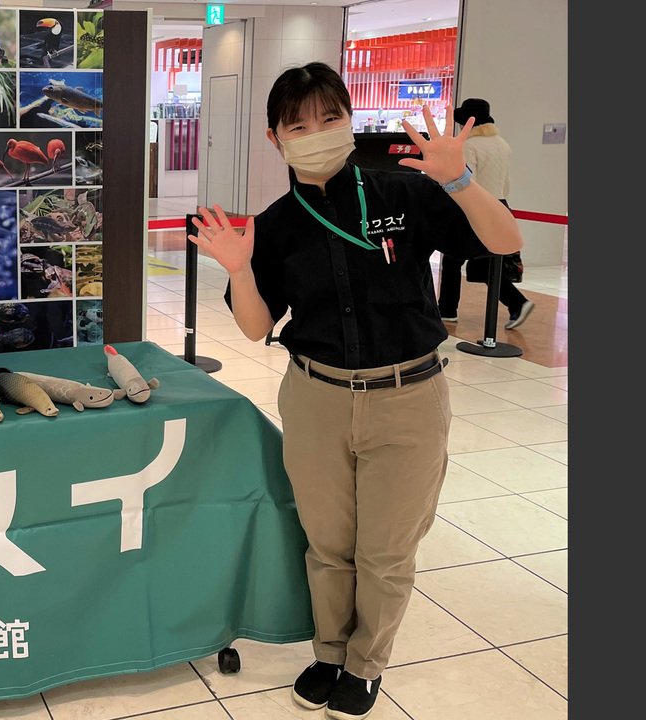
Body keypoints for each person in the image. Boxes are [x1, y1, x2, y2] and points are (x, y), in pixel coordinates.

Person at [189, 63, 522, 720]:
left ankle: (367, 662)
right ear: (274, 138)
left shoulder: (403, 194)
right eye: (298, 124)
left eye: (329, 118)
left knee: (387, 548)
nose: (315, 133)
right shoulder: (277, 224)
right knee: (328, 543)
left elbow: (505, 242)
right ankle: (330, 651)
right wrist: (237, 271)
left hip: (409, 398)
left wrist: (457, 178)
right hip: (317, 398)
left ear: (350, 120)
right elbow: (258, 329)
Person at [436, 98, 535, 329]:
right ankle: (514, 303)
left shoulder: (470, 146)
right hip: (499, 204)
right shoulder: (501, 143)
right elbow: (506, 182)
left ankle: (449, 309)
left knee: (453, 259)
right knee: (483, 261)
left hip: (475, 207)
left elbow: (466, 181)